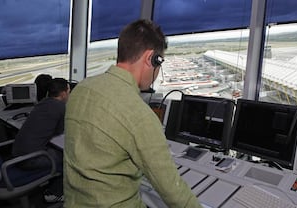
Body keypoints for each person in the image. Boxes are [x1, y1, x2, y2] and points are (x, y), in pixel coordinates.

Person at [64, 19, 202, 207]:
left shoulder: (81, 90)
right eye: (159, 63)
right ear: (151, 58)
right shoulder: (139, 115)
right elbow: (174, 192)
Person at [12, 78, 70, 202]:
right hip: (30, 159)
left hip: (17, 154)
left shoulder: (43, 103)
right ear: (64, 93)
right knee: (69, 159)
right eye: (69, 91)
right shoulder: (60, 107)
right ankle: (54, 193)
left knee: (57, 150)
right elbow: (60, 131)